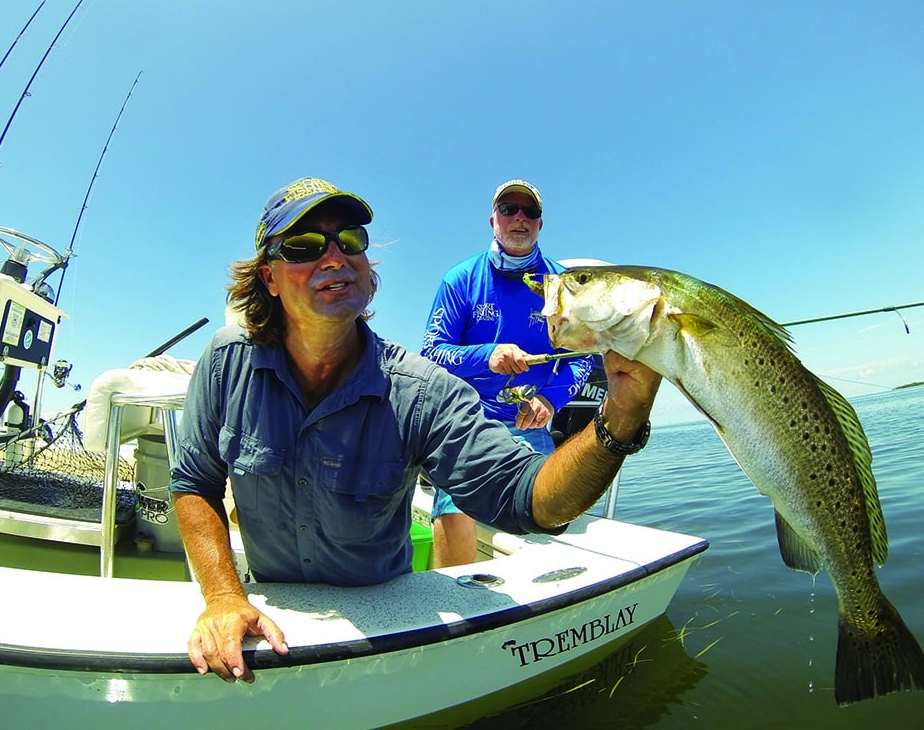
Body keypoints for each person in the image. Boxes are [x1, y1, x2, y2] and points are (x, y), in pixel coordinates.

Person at [170, 176, 659, 683]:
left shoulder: (420, 392)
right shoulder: (226, 362)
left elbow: (529, 500)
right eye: (304, 245)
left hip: (384, 632)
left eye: (350, 239)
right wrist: (225, 594)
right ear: (269, 278)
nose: (335, 257)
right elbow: (193, 482)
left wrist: (618, 417)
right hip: (269, 609)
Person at [420, 179, 597, 566]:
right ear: (493, 220)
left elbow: (581, 357)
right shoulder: (460, 280)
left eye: (530, 212)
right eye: (509, 209)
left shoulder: (561, 285)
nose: (520, 218)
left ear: (540, 224)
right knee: (454, 506)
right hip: (468, 420)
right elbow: (431, 353)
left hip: (530, 424)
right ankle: (459, 601)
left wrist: (550, 400)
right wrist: (488, 355)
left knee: (554, 512)